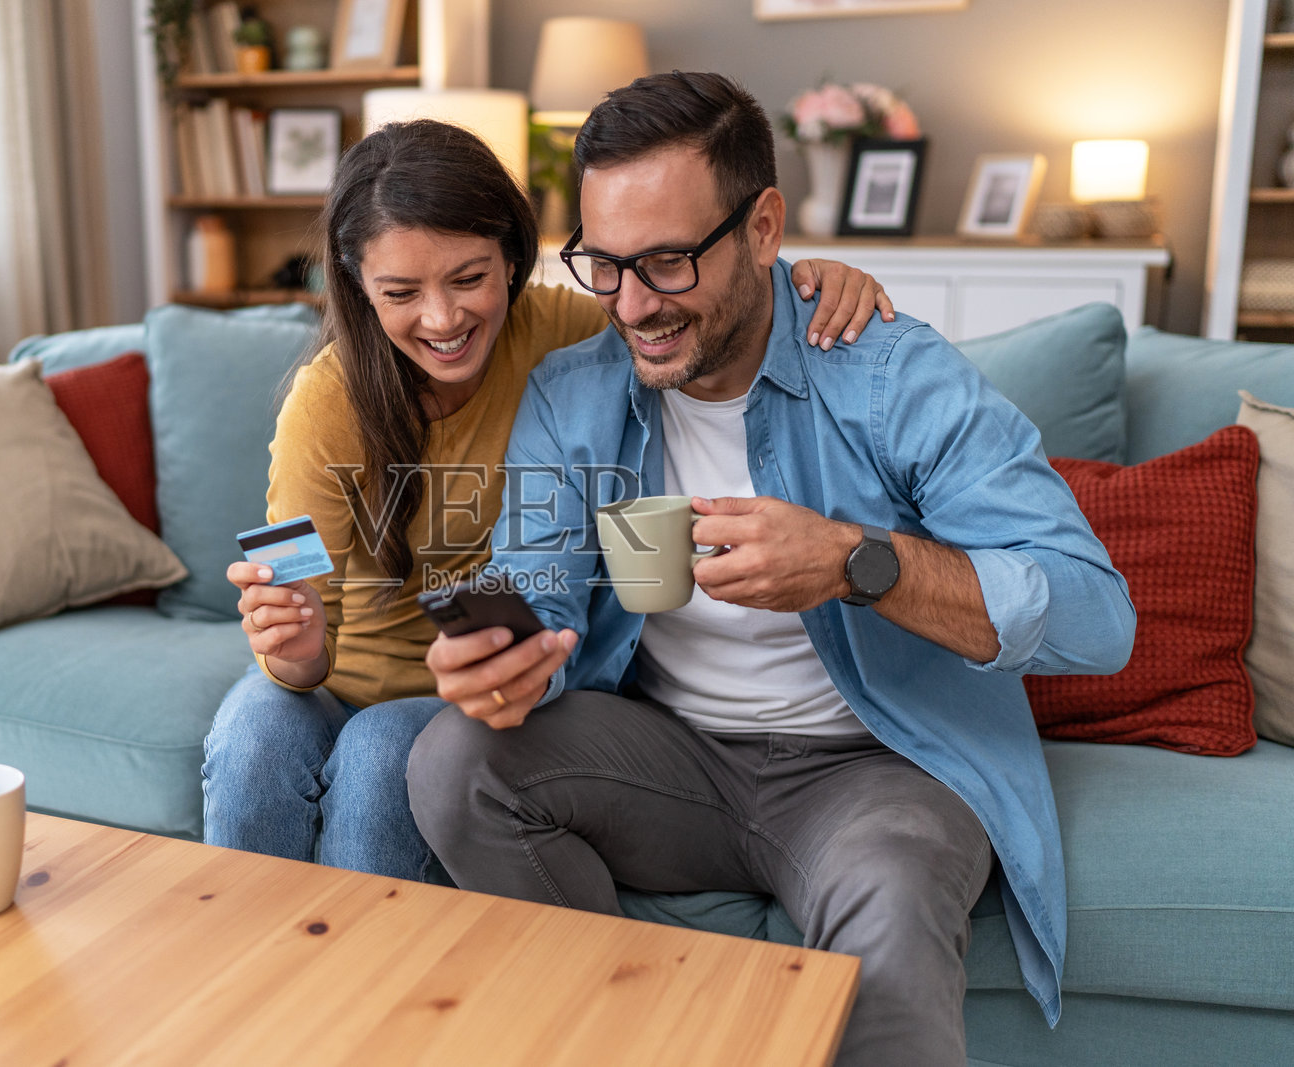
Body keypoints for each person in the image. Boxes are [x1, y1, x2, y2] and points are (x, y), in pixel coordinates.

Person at [406, 73, 1136, 1066]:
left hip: (876, 767)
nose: (631, 304)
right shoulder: (571, 394)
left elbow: (1097, 616)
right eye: (604, 264)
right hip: (671, 754)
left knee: (889, 906)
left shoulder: (891, 377)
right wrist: (503, 660)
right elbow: (534, 584)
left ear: (761, 228)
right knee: (450, 758)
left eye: (665, 261)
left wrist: (856, 563)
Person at [200, 118, 899, 882]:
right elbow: (294, 606)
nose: (442, 320)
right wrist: (293, 654)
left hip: (475, 693)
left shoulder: (564, 333)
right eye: (401, 292)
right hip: (334, 676)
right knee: (250, 737)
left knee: (378, 752)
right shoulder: (324, 401)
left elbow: (692, 308)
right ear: (359, 287)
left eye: (468, 279)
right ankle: (254, 983)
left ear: (512, 255)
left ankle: (372, 988)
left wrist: (806, 279)